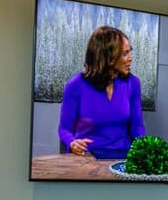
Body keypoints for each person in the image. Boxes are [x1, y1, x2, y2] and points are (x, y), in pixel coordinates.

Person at [58, 26, 146, 159]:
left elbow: (137, 127)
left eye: (129, 52)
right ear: (108, 58)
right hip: (87, 157)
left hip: (122, 157)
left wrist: (144, 150)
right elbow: (64, 129)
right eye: (124, 54)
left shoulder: (133, 83)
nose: (130, 58)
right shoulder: (75, 85)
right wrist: (72, 143)